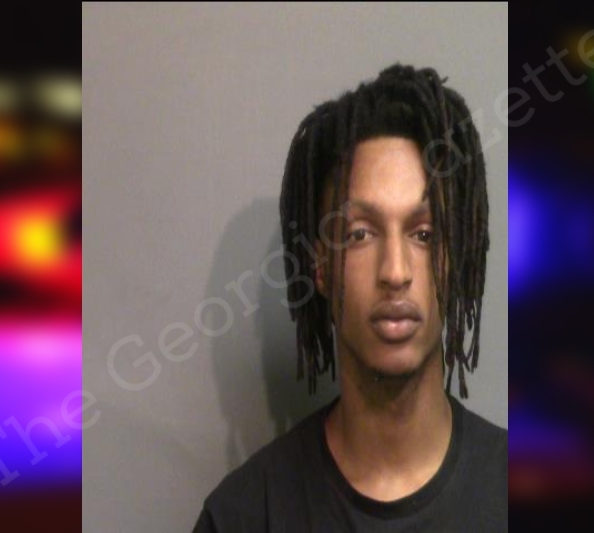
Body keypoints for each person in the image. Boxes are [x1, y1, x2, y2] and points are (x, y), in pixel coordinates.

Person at [193, 64, 506, 532]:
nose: (395, 272)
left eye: (424, 233)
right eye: (360, 233)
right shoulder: (243, 516)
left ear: (456, 258)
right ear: (320, 266)